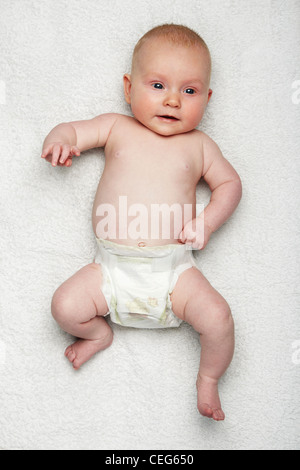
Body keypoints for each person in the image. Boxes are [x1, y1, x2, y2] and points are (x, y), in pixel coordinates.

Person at [41, 24, 242, 421]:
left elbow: (231, 185)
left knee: (218, 319)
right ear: (128, 87)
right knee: (63, 306)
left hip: (173, 275)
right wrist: (59, 139)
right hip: (110, 272)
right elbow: (74, 130)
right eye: (157, 85)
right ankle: (98, 334)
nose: (172, 100)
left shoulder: (199, 145)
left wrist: (207, 222)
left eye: (189, 91)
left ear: (207, 97)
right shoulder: (117, 126)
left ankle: (208, 379)